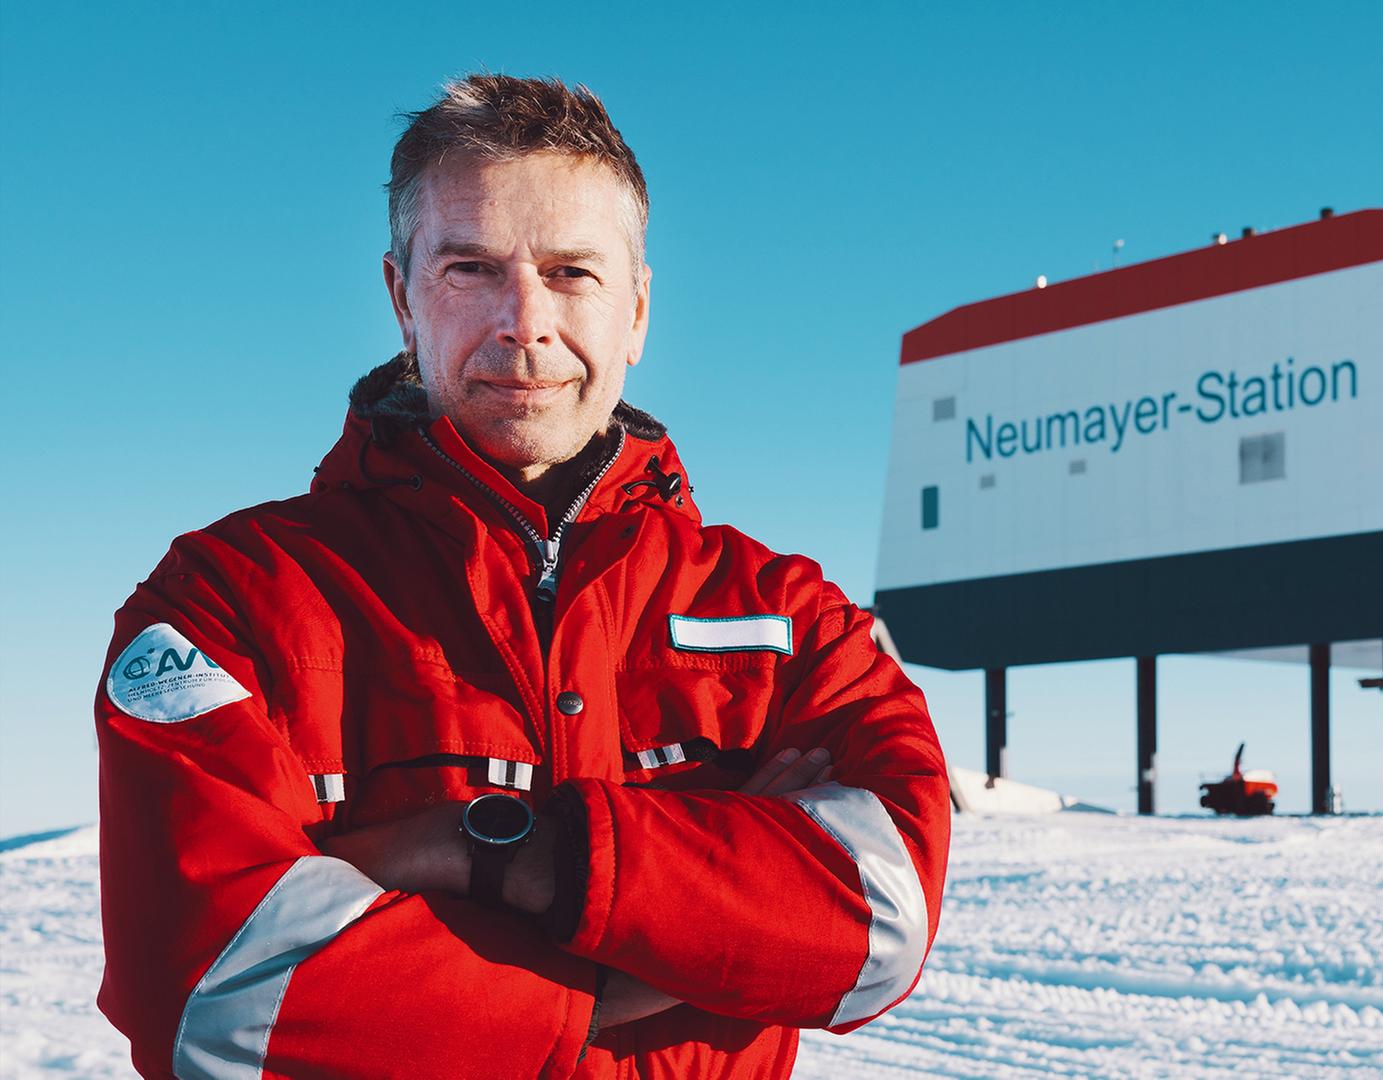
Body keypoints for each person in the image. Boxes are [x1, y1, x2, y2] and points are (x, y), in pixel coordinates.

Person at [93, 74, 950, 1079]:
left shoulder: (789, 617)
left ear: (637, 308)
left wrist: (487, 850)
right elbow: (216, 991)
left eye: (572, 272)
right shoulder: (226, 603)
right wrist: (693, 952)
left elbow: (882, 923)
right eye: (471, 267)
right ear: (401, 297)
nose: (525, 322)